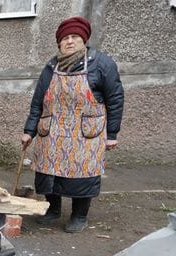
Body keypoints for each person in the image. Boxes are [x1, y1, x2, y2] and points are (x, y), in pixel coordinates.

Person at [21, 16, 124, 233]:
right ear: (59, 42)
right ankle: (53, 210)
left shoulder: (102, 64)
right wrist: (29, 131)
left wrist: (112, 133)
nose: (70, 41)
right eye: (65, 38)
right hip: (53, 131)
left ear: (84, 39)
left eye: (75, 37)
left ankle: (79, 216)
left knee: (83, 175)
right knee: (48, 173)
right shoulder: (51, 66)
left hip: (86, 133)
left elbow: (115, 99)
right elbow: (38, 101)